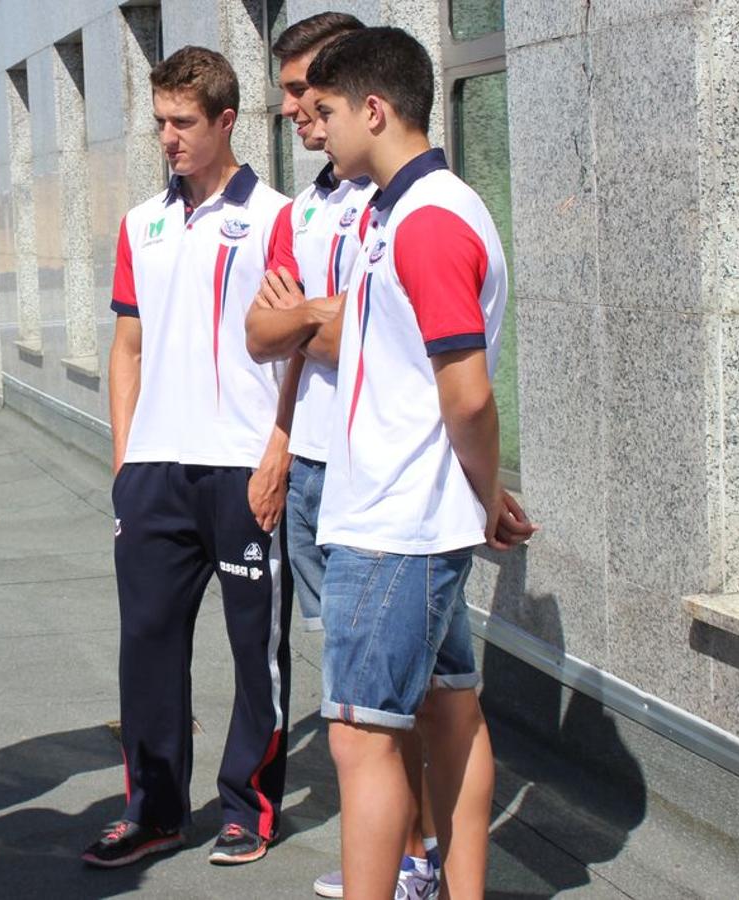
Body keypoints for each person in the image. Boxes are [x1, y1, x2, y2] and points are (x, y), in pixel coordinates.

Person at [305, 26, 536, 900]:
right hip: (413, 517)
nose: (314, 128)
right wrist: (481, 495)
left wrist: (482, 497)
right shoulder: (399, 210)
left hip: (397, 526)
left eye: (325, 110)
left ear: (374, 107)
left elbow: (467, 394)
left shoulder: (429, 221)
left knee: (362, 739)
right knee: (448, 712)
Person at [81, 45, 295, 869]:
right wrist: (125, 463)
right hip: (156, 473)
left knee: (254, 652)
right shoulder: (142, 223)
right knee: (147, 646)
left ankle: (247, 805)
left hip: (241, 466)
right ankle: (155, 811)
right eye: (159, 121)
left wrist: (276, 449)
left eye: (181, 123)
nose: (166, 138)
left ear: (226, 121)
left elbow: (297, 350)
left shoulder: (278, 217)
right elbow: (126, 348)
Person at [248, 13, 445, 900]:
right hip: (320, 465)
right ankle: (405, 857)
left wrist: (324, 321)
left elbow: (385, 339)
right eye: (292, 95)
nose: (295, 113)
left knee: (392, 702)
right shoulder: (308, 206)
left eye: (306, 94)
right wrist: (282, 439)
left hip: (393, 479)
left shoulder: (399, 198)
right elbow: (263, 332)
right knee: (355, 687)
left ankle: (414, 861)